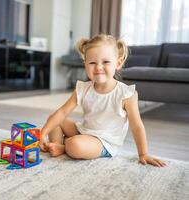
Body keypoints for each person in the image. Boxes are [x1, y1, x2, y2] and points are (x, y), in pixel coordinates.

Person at [39, 34, 166, 167]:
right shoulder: (82, 88)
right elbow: (62, 112)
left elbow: (137, 126)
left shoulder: (126, 94)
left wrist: (143, 154)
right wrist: (42, 133)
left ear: (118, 63)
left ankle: (65, 147)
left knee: (74, 144)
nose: (98, 67)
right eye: (92, 63)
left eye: (105, 62)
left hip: (104, 142)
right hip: (85, 131)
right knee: (54, 121)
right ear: (85, 64)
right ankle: (59, 146)